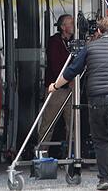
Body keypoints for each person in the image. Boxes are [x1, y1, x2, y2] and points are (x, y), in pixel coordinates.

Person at [49, 16, 108, 190]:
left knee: (100, 140)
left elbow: (72, 71)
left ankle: (103, 180)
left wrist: (55, 86)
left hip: (95, 100)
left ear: (99, 31)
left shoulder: (89, 47)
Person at [39, 14, 74, 148]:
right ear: (63, 27)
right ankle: (42, 152)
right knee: (48, 122)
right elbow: (55, 66)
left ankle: (71, 152)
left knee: (72, 124)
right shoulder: (55, 42)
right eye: (70, 23)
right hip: (57, 88)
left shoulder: (73, 42)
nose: (73, 26)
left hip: (70, 89)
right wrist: (67, 79)